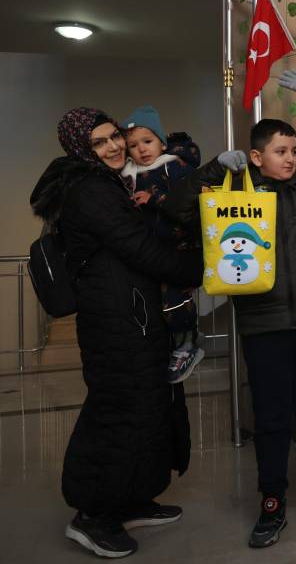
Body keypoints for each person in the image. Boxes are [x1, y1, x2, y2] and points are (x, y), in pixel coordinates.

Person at [165, 69, 296, 548]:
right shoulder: (234, 192)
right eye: (280, 151)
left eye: (292, 151)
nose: (291, 158)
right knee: (269, 416)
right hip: (262, 323)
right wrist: (210, 170)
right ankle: (271, 503)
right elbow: (176, 207)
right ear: (256, 156)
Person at [30, 107, 201, 559]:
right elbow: (138, 247)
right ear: (79, 151)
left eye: (113, 137)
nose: (112, 147)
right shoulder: (89, 189)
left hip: (133, 317)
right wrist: (198, 269)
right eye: (98, 143)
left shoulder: (102, 182)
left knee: (145, 408)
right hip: (115, 322)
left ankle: (128, 500)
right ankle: (92, 515)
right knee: (119, 413)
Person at [121, 105, 204, 383]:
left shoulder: (174, 166)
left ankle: (188, 345)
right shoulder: (127, 174)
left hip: (178, 247)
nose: (142, 149)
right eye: (133, 145)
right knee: (152, 306)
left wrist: (154, 199)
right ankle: (170, 348)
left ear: (161, 141)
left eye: (147, 141)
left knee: (175, 302)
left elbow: (190, 203)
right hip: (148, 251)